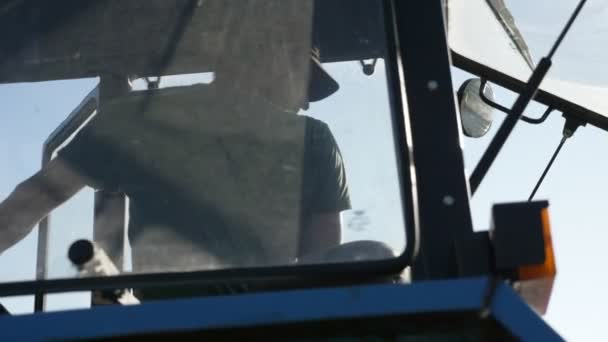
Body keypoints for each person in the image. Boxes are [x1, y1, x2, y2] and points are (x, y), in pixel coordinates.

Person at [0, 1, 351, 281]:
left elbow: (28, 203)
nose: (303, 101)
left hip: (159, 326)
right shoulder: (314, 141)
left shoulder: (133, 119)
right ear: (272, 64)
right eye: (303, 83)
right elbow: (323, 273)